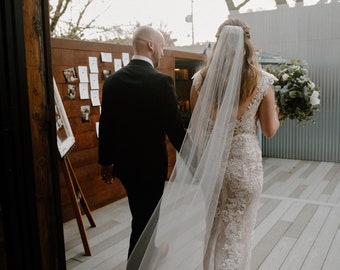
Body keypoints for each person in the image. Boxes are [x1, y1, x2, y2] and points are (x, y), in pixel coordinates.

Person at [98, 25, 186, 262]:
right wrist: (198, 162)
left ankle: (152, 251)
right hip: (151, 169)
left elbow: (106, 125)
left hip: (125, 168)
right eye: (162, 47)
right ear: (150, 45)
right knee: (144, 220)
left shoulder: (113, 82)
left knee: (142, 213)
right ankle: (137, 264)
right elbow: (176, 131)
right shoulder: (162, 82)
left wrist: (105, 163)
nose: (163, 53)